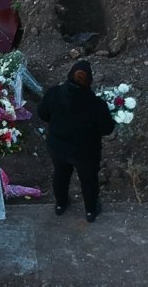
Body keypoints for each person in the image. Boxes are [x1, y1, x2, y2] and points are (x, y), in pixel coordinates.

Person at [38, 60, 115, 223]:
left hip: (58, 148)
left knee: (60, 174)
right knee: (88, 180)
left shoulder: (53, 94)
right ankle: (90, 211)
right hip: (86, 152)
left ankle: (60, 205)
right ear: (90, 81)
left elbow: (43, 114)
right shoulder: (96, 104)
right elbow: (107, 129)